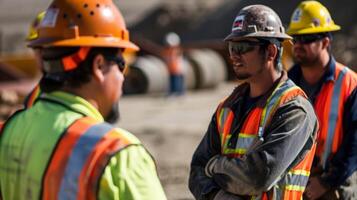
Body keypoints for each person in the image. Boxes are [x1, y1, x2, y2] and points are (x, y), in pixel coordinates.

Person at [0, 0, 167, 199]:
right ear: (99, 65)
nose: (123, 77)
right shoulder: (117, 153)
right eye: (121, 66)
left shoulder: (9, 131)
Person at [189, 4, 319, 200]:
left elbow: (259, 177)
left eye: (242, 47)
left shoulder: (294, 109)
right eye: (232, 47)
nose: (234, 55)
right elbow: (196, 172)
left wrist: (214, 166)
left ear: (271, 52)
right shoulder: (227, 108)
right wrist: (219, 196)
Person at [287, 1, 357, 199]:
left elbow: (355, 143)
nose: (298, 45)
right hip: (294, 178)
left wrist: (326, 182)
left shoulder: (349, 83)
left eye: (307, 38)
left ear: (326, 42)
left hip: (335, 180)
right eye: (296, 38)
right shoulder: (286, 84)